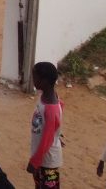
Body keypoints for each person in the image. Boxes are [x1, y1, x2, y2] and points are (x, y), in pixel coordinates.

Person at [27, 61, 63, 189]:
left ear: (44, 81)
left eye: (35, 77)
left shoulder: (50, 107)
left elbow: (47, 140)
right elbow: (61, 106)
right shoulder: (46, 96)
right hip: (41, 158)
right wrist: (57, 133)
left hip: (48, 162)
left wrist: (34, 161)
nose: (33, 80)